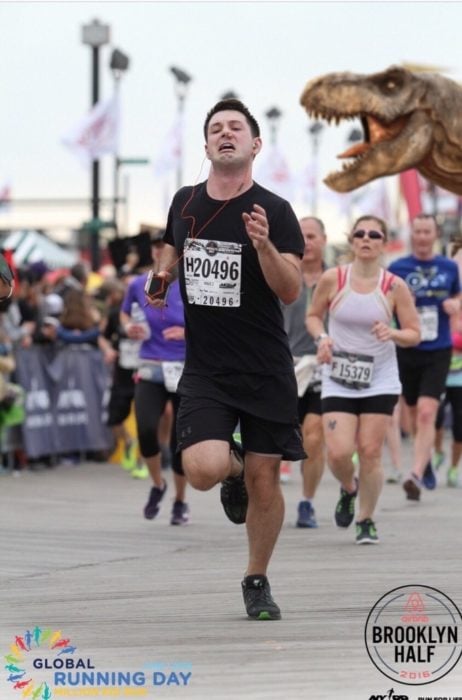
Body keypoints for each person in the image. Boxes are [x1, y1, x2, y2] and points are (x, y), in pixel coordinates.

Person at [147, 98, 305, 620]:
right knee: (202, 470)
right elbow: (172, 243)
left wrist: (263, 248)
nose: (226, 133)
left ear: (255, 144)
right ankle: (231, 467)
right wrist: (165, 273)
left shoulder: (274, 211)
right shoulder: (186, 199)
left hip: (264, 367)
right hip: (208, 367)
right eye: (216, 128)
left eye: (236, 127)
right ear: (208, 145)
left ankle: (256, 577)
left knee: (267, 480)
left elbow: (289, 290)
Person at [307, 215, 420, 544]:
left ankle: (366, 519)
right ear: (352, 240)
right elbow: (314, 316)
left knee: (370, 451)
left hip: (380, 377)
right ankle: (348, 487)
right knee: (339, 453)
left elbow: (414, 333)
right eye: (360, 234)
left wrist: (393, 332)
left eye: (374, 234)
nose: (366, 239)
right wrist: (322, 339)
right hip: (339, 375)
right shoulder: (334, 278)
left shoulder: (394, 286)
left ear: (384, 243)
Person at [389, 213, 461, 501]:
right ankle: (426, 459)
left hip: (438, 349)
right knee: (412, 415)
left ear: (434, 235)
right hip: (408, 348)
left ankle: (415, 474)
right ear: (412, 234)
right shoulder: (398, 268)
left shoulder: (448, 267)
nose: (421, 236)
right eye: (417, 231)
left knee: (428, 413)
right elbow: (386, 302)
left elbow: (458, 296)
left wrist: (454, 304)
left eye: (426, 231)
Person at [121, 237, 190, 526]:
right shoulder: (140, 284)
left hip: (185, 366)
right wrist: (129, 327)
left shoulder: (190, 284)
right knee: (147, 427)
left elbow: (213, 322)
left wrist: (189, 333)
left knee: (180, 438)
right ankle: (157, 483)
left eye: (167, 248)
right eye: (157, 249)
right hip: (150, 363)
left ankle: (180, 500)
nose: (161, 253)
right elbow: (125, 313)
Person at [282, 216, 328, 528]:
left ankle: (307, 502)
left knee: (314, 435)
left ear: (324, 240)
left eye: (312, 235)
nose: (307, 242)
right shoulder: (282, 276)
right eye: (301, 236)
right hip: (285, 367)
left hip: (325, 367)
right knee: (277, 442)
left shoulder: (336, 278)